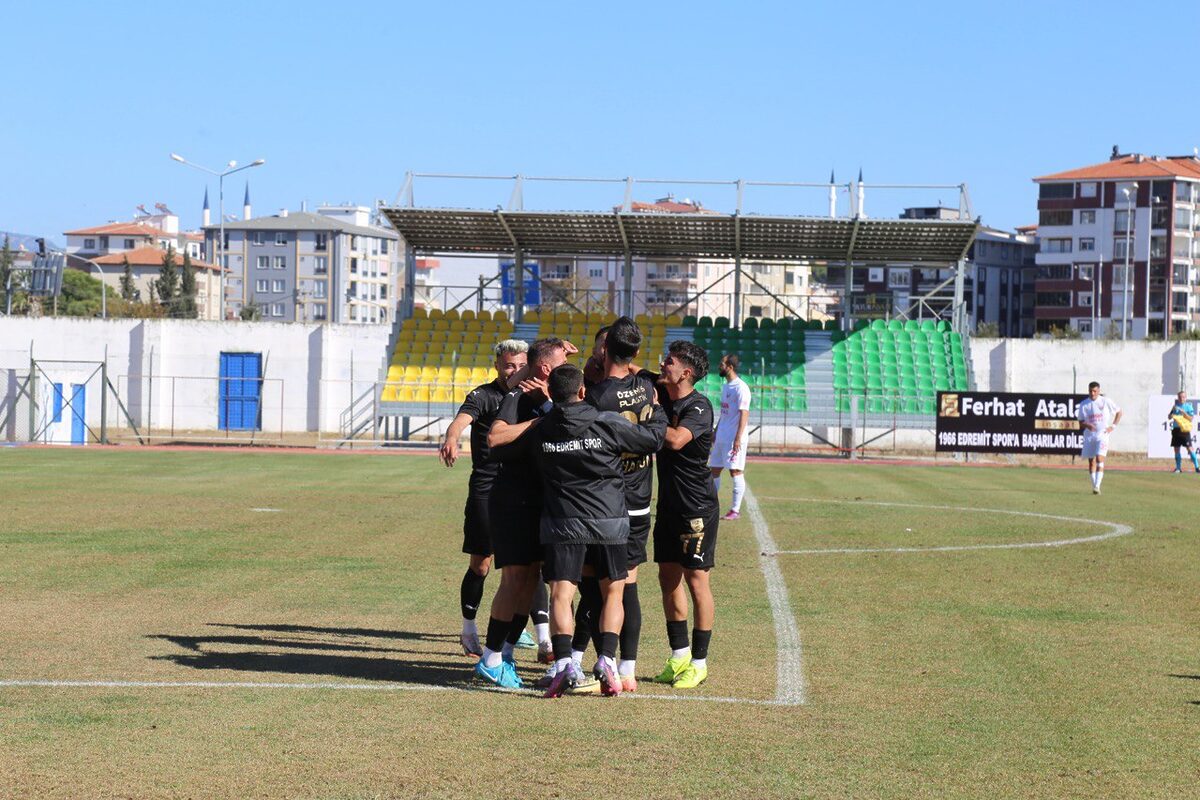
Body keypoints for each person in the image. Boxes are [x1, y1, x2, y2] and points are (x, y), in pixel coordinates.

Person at [494, 363, 665, 697]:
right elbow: (652, 439)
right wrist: (656, 410)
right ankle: (606, 659)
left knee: (562, 593)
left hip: (562, 522)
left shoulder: (540, 428)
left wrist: (517, 399)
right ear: (583, 391)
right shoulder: (607, 422)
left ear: (552, 394)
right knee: (612, 592)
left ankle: (565, 664)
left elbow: (501, 446)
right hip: (610, 520)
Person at [470, 337, 572, 689]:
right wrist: (539, 423)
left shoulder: (548, 397)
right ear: (546, 368)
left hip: (539, 500)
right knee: (514, 580)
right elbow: (495, 438)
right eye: (561, 363)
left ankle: (506, 653)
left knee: (529, 582)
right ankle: (491, 658)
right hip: (512, 500)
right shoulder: (518, 397)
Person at [569, 316, 659, 692]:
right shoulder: (647, 386)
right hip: (639, 502)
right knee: (627, 586)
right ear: (636, 353)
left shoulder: (596, 397)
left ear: (603, 351)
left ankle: (575, 659)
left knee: (593, 587)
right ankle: (627, 668)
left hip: (604, 504)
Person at [438, 339, 527, 657]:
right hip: (487, 492)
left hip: (521, 491)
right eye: (508, 365)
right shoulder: (484, 395)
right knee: (482, 564)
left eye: (519, 365)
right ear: (497, 365)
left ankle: (523, 630)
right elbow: (462, 419)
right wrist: (451, 437)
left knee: (526, 566)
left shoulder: (530, 395)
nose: (514, 371)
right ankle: (468, 629)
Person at [653, 340, 718, 689]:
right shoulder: (663, 392)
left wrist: (651, 419)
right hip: (668, 506)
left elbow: (676, 440)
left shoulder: (699, 405)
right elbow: (632, 373)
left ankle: (699, 662)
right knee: (667, 578)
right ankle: (678, 655)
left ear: (686, 372)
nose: (664, 365)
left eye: (670, 362)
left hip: (696, 508)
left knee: (696, 581)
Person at [708, 353, 751, 521]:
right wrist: (716, 431)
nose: (719, 366)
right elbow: (725, 413)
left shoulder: (741, 388)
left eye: (722, 364)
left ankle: (735, 510)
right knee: (714, 470)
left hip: (734, 438)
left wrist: (738, 438)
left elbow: (744, 414)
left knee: (735, 471)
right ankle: (710, 505)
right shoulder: (726, 386)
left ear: (730, 367)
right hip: (722, 436)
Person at [1076, 381, 1122, 495]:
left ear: (1099, 391)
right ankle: (1094, 485)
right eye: (1090, 391)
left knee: (1099, 459)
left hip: (1103, 435)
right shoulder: (1084, 404)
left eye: (1095, 391)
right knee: (1091, 462)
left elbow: (1119, 412)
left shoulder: (1105, 401)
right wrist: (1087, 425)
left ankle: (1097, 486)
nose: (1092, 393)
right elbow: (1080, 422)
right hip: (1090, 436)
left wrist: (1113, 426)